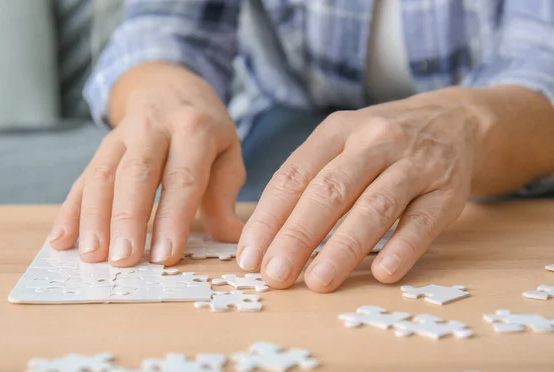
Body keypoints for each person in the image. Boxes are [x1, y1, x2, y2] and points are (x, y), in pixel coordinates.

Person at [49, 0, 554, 293]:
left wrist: (467, 124)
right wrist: (164, 94)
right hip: (291, 118)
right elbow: (163, 24)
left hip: (508, 131)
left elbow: (543, 59)